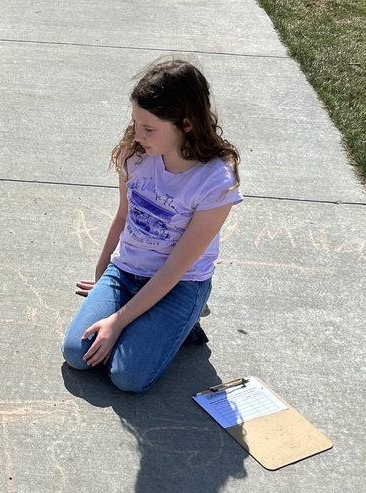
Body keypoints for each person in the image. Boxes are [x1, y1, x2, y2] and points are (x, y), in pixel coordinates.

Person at [62, 58, 242, 393]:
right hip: (127, 271)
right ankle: (148, 324)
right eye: (135, 122)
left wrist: (118, 320)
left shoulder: (215, 180)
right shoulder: (135, 155)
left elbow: (176, 267)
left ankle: (187, 317)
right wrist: (103, 278)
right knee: (77, 353)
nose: (138, 134)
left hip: (180, 283)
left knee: (127, 377)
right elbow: (122, 217)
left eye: (149, 128)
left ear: (186, 124)